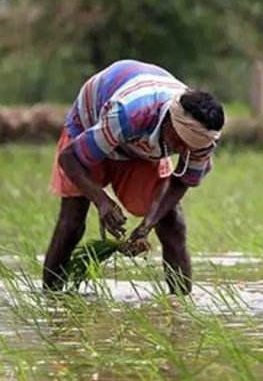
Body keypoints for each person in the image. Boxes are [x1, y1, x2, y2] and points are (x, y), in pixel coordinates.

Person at [43, 59, 225, 295]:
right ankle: (50, 297)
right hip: (93, 126)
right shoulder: (128, 112)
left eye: (188, 147)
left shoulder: (202, 140)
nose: (181, 150)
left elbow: (181, 181)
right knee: (73, 220)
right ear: (170, 120)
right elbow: (69, 159)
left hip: (140, 146)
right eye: (179, 141)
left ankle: (179, 304)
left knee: (172, 221)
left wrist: (148, 224)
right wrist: (102, 201)